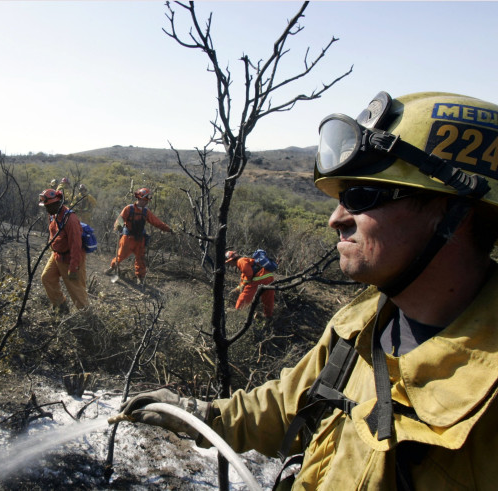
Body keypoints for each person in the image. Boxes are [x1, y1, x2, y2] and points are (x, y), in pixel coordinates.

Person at [119, 91, 498, 488]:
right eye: (339, 198)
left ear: (457, 214)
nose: (336, 218)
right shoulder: (357, 325)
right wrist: (201, 415)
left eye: (361, 196)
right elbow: (289, 406)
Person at [104, 187, 172, 285]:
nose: (146, 202)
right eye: (145, 200)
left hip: (140, 239)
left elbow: (156, 222)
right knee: (120, 255)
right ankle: (112, 267)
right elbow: (120, 220)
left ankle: (140, 277)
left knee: (140, 259)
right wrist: (118, 227)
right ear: (139, 198)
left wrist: (168, 229)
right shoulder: (129, 208)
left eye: (147, 200)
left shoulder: (146, 212)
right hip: (127, 238)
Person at [39, 188, 88, 313]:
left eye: (48, 206)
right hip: (57, 255)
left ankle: (87, 318)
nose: (46, 209)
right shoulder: (53, 214)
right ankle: (61, 306)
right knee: (47, 278)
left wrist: (73, 266)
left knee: (77, 291)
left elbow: (76, 245)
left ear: (57, 203)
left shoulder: (70, 219)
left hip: (70, 257)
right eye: (45, 206)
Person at [225, 250, 274, 317]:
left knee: (246, 293)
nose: (229, 264)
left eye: (229, 262)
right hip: (269, 276)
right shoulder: (244, 261)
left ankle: (237, 310)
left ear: (231, 260)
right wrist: (237, 289)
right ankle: (268, 315)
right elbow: (244, 279)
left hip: (259, 277)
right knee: (267, 296)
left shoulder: (240, 261)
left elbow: (249, 274)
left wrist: (244, 285)